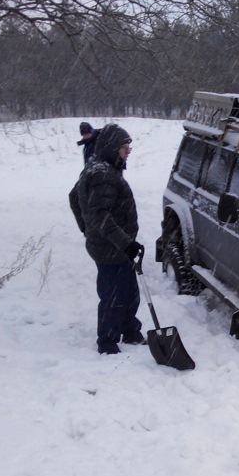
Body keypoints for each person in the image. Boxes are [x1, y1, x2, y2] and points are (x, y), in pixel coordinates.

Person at [69, 123, 145, 355]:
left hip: (115, 245)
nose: (128, 151)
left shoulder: (99, 167)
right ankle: (108, 342)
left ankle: (130, 330)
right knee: (114, 296)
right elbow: (99, 214)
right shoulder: (103, 175)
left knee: (129, 291)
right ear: (113, 148)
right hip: (111, 248)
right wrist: (124, 242)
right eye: (125, 147)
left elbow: (74, 197)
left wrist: (87, 228)